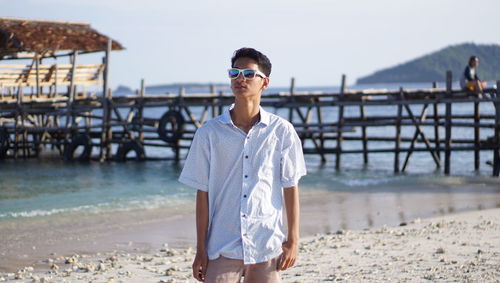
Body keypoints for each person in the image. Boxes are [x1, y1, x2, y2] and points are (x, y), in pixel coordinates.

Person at [178, 47, 306, 283]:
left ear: (264, 82)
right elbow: (202, 194)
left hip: (266, 244)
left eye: (248, 74)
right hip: (222, 245)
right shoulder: (209, 133)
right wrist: (200, 250)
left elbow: (291, 187)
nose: (240, 79)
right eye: (234, 73)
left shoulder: (282, 131)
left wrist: (293, 241)